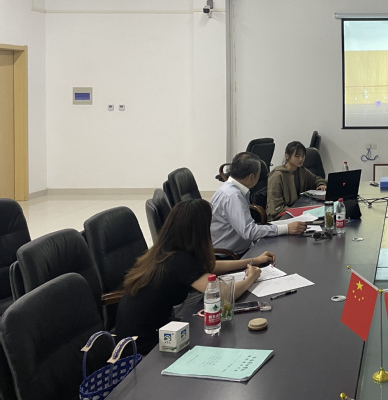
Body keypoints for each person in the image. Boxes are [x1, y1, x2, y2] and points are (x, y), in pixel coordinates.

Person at [116, 199, 274, 354]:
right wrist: (251, 277)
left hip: (149, 331)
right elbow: (224, 293)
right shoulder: (178, 260)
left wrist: (254, 260)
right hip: (146, 346)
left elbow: (211, 265)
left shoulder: (165, 251)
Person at [211, 152, 306, 256]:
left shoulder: (232, 188)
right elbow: (249, 232)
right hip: (230, 255)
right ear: (251, 177)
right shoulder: (233, 196)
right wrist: (286, 228)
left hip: (241, 245)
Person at [267, 141, 327, 220]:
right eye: (297, 156)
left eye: (303, 156)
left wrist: (321, 184)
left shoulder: (301, 170)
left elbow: (316, 179)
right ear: (287, 156)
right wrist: (297, 212)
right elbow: (275, 208)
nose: (301, 159)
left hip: (298, 210)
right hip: (280, 216)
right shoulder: (277, 175)